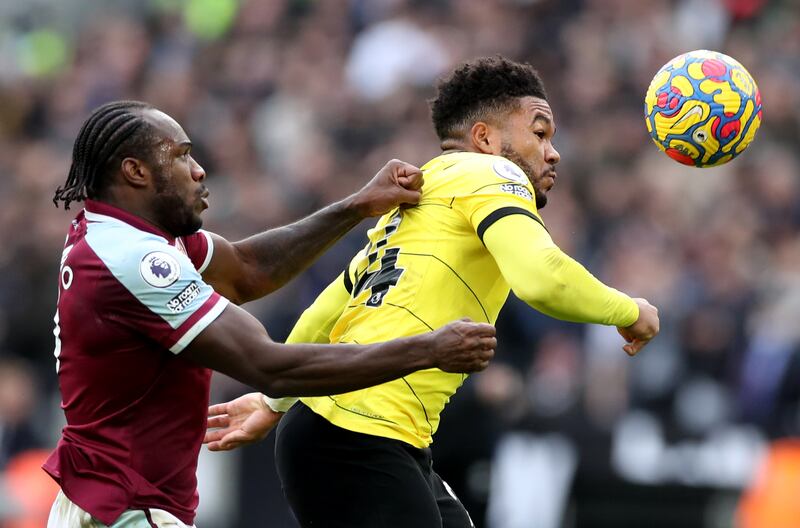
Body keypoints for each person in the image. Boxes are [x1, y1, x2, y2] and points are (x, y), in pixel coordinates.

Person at [206, 56, 661, 527]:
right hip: (359, 435)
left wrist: (272, 402)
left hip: (346, 434)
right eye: (540, 133)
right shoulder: (492, 175)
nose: (553, 152)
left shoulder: (420, 198)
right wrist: (627, 310)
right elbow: (542, 278)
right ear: (485, 138)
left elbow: (330, 309)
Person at [44, 100, 497, 528]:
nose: (199, 170)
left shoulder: (127, 234)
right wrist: (430, 348)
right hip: (126, 508)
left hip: (110, 501)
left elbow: (246, 270)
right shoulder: (133, 260)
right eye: (181, 156)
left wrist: (356, 206)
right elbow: (270, 367)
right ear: (135, 172)